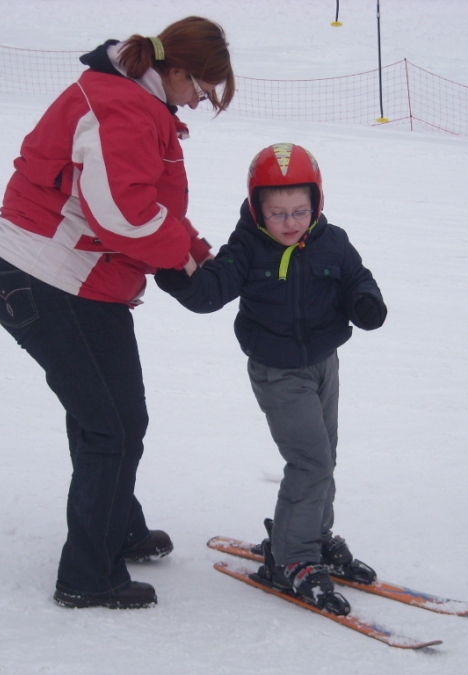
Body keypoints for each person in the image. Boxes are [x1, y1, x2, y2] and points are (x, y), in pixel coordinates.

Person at [0, 17, 235, 610]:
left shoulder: (136, 101)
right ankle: (87, 576)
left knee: (118, 417)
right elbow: (120, 215)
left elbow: (146, 204)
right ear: (174, 70)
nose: (200, 100)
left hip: (76, 284)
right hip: (43, 280)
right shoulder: (121, 106)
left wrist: (195, 254)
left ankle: (115, 526)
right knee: (111, 427)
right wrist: (184, 266)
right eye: (202, 86)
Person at [155, 143, 387, 615]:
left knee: (325, 454)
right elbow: (212, 289)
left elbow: (356, 278)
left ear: (316, 204)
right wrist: (177, 276)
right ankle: (293, 558)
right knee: (310, 460)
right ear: (257, 207)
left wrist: (365, 302)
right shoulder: (247, 248)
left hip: (324, 362)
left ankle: (313, 536)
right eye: (277, 212)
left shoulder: (333, 241)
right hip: (277, 371)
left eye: (300, 210)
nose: (289, 222)